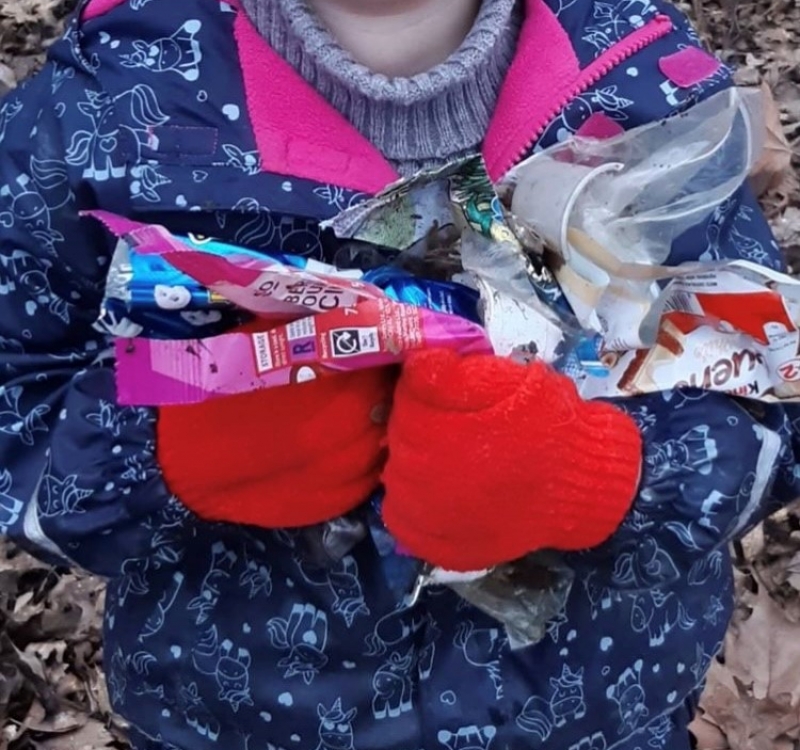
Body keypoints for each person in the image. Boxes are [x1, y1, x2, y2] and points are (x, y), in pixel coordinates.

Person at [0, 0, 796, 748]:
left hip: (599, 704)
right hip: (238, 716)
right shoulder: (95, 116)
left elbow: (770, 383)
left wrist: (614, 472)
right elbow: (17, 398)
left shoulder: (651, 82)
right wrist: (160, 444)